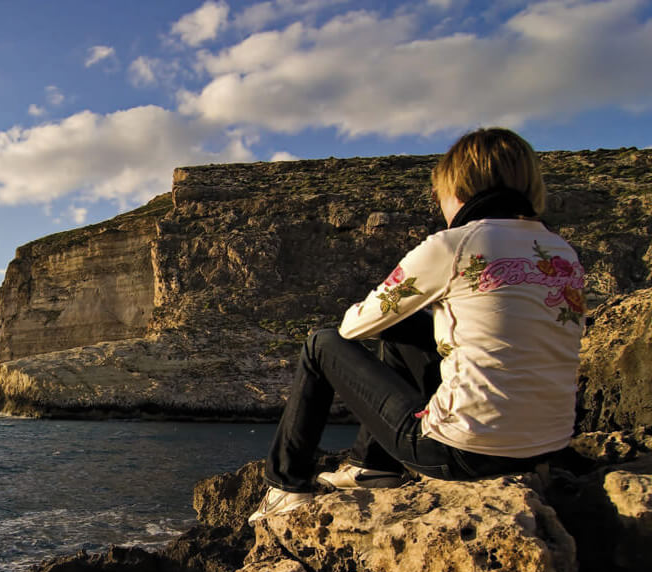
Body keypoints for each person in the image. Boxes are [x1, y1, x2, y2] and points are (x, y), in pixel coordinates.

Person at [249, 127, 585, 523]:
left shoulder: (455, 244)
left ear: (457, 189)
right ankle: (373, 466)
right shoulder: (561, 252)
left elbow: (353, 327)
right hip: (546, 446)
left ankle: (286, 485)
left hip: (462, 454)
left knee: (320, 344)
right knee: (404, 329)